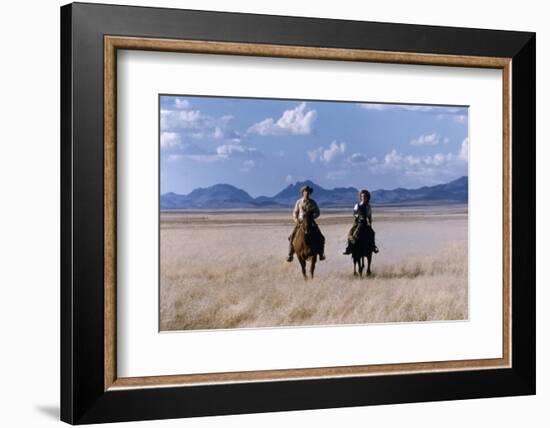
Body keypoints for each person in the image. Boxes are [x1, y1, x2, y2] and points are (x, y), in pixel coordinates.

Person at [287, 185, 326, 262]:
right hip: (301, 222)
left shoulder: (313, 202)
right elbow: (295, 212)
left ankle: (321, 254)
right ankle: (290, 254)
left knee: (321, 237)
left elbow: (318, 212)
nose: (307, 193)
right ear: (302, 193)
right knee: (291, 237)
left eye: (308, 192)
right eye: (305, 191)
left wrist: (312, 217)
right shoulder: (299, 202)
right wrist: (296, 219)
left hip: (311, 222)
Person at [343, 189, 379, 255]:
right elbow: (354, 213)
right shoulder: (357, 205)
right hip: (358, 222)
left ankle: (373, 246)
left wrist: (370, 223)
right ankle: (349, 248)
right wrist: (358, 216)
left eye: (365, 196)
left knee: (372, 233)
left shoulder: (368, 206)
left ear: (367, 197)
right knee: (350, 234)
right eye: (362, 196)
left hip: (365, 223)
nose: (363, 198)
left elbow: (369, 216)